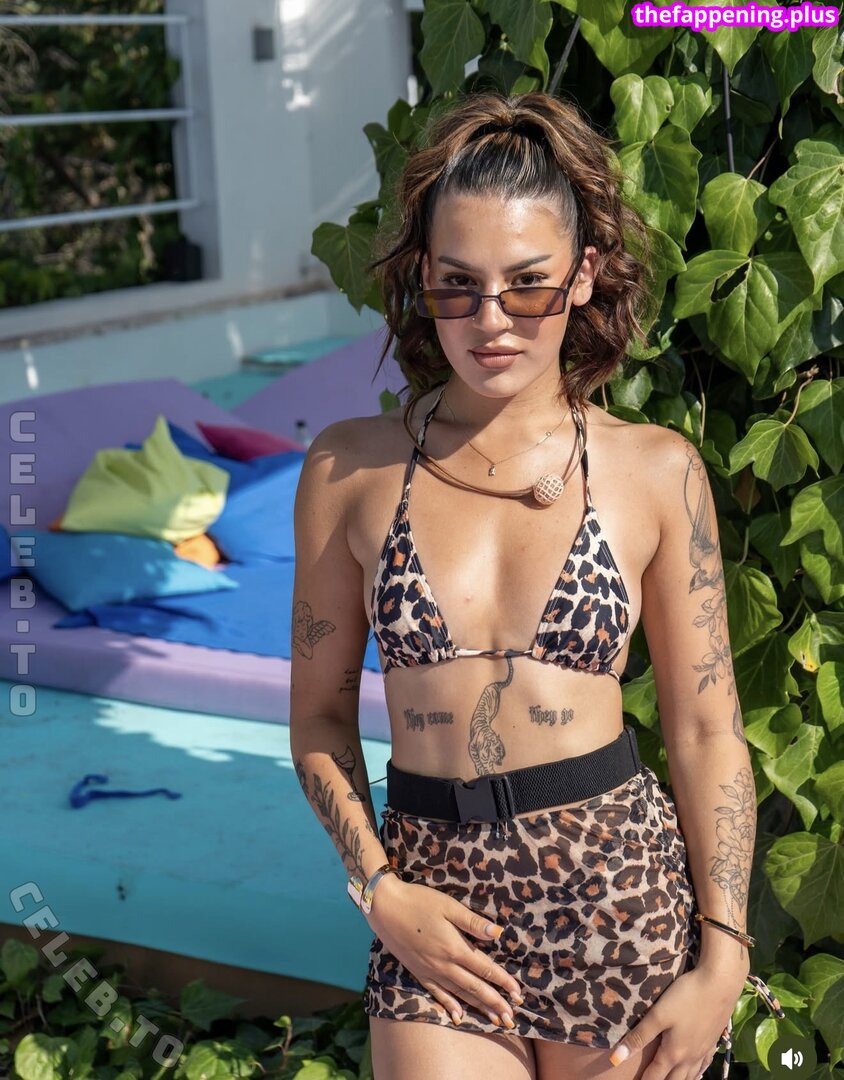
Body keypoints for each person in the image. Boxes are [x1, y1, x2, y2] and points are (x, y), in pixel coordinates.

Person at [290, 92, 781, 1080]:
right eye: (457, 286)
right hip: (434, 905)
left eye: (527, 286)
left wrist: (724, 952)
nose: (491, 321)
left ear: (583, 274)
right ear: (423, 279)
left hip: (616, 891)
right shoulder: (350, 470)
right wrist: (379, 889)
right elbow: (319, 723)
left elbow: (704, 730)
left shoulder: (654, 471)